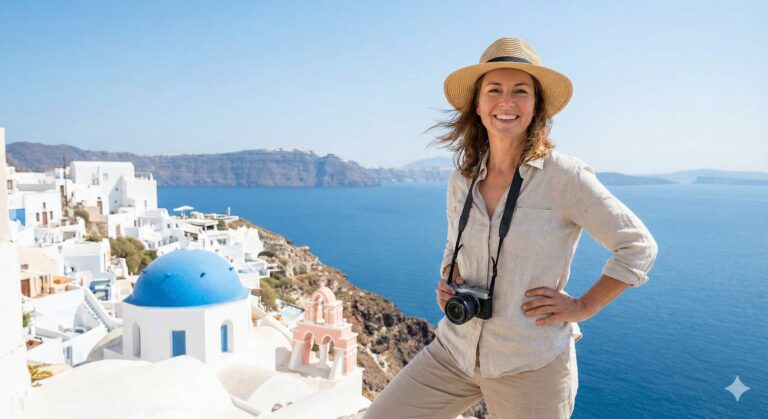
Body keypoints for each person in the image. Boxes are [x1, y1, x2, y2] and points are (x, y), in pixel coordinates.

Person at [364, 37, 658, 419]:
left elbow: (638, 246)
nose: (507, 101)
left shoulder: (563, 177)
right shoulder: (462, 178)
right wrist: (450, 278)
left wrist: (583, 306)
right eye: (494, 90)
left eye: (521, 91)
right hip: (456, 349)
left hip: (529, 365)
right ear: (478, 105)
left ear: (536, 107)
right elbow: (454, 245)